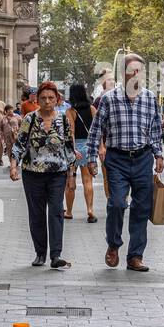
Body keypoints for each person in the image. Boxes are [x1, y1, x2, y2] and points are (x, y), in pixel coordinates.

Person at [86, 53, 164, 272]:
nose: (136, 74)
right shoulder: (109, 99)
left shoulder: (150, 98)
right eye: (132, 70)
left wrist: (158, 155)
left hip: (142, 158)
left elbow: (156, 130)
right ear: (124, 73)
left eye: (140, 70)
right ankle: (113, 244)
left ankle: (135, 256)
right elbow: (96, 130)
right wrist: (92, 158)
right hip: (117, 159)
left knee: (142, 207)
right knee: (117, 204)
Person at [10, 82, 75, 270]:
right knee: (36, 214)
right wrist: (13, 166)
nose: (47, 101)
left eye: (51, 98)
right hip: (33, 173)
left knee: (56, 211)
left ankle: (56, 255)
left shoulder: (63, 119)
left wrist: (71, 175)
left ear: (57, 100)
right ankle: (40, 253)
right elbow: (19, 144)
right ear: (37, 99)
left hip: (57, 174)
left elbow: (69, 149)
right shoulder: (29, 119)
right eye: (43, 98)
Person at [64, 82, 98, 224]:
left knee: (70, 180)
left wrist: (72, 149)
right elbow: (97, 129)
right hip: (88, 147)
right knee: (87, 180)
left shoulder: (70, 111)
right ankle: (90, 210)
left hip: (75, 148)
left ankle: (69, 211)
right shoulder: (92, 108)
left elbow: (70, 132)